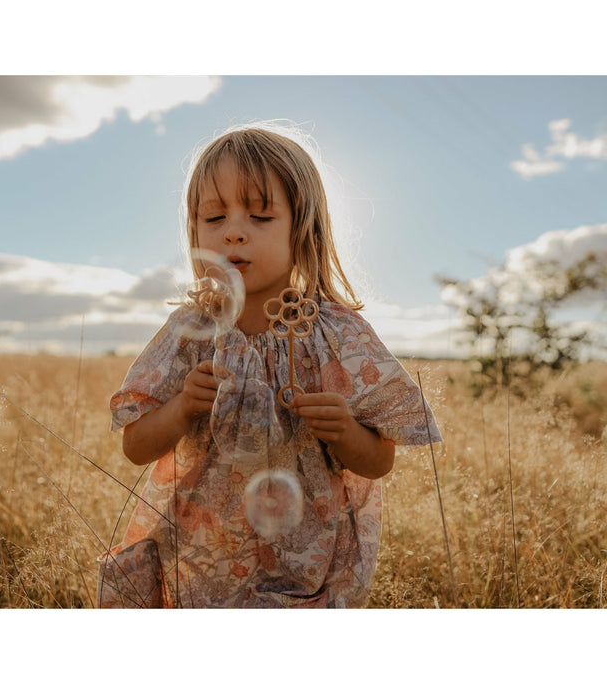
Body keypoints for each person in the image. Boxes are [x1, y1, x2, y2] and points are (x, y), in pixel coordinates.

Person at [100, 122, 442, 608]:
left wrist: (345, 429)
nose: (234, 232)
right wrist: (181, 408)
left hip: (307, 564)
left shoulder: (336, 335)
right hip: (204, 562)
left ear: (303, 228)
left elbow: (379, 460)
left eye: (260, 217)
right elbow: (136, 446)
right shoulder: (191, 332)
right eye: (214, 217)